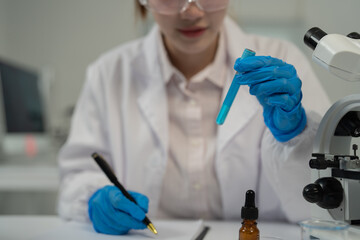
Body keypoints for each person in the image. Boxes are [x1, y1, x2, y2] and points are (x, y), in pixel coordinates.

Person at [58, 0, 331, 235]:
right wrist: (93, 199)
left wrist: (297, 134)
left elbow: (326, 200)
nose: (191, 12)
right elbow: (78, 175)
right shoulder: (109, 74)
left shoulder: (282, 59)